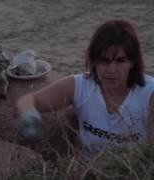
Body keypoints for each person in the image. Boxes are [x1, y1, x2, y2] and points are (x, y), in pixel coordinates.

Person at [16, 19, 154, 157]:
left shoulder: (148, 94)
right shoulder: (81, 86)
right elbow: (29, 99)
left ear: (132, 62)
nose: (112, 70)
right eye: (104, 60)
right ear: (93, 60)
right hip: (88, 171)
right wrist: (30, 116)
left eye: (120, 61)